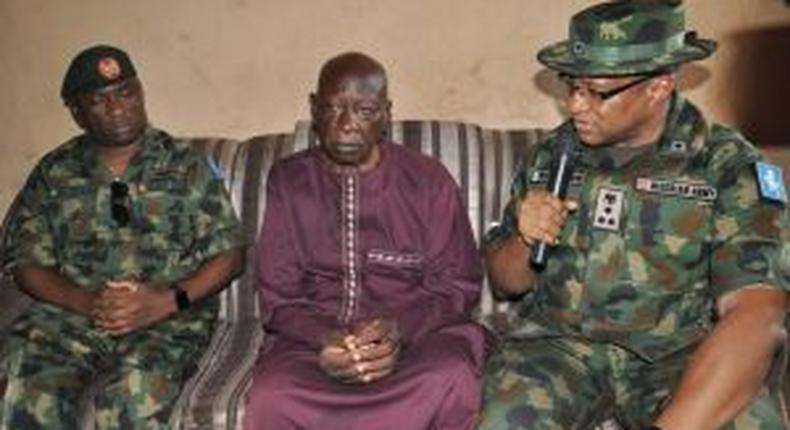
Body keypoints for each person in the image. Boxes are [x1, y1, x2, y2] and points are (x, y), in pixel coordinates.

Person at [479, 2, 788, 429]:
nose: (575, 105)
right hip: (560, 349)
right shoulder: (552, 155)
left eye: (597, 91)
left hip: (678, 353)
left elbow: (759, 312)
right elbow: (506, 282)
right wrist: (524, 238)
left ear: (658, 87)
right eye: (571, 85)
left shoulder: (728, 164)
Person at [0, 45, 244, 429]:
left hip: (167, 317)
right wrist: (86, 302)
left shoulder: (185, 163)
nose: (118, 109)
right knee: (22, 381)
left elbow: (230, 252)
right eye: (100, 100)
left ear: (141, 93)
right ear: (77, 112)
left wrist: (168, 300)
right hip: (71, 313)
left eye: (127, 93)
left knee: (133, 391)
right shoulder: (54, 171)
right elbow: (25, 264)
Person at [243, 52, 491, 430]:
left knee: (452, 377)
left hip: (417, 339)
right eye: (332, 109)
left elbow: (458, 285)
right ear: (313, 109)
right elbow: (279, 297)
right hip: (315, 345)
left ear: (387, 113)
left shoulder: (428, 180)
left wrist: (398, 331)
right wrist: (326, 338)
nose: (346, 125)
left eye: (365, 110)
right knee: (272, 396)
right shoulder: (289, 181)